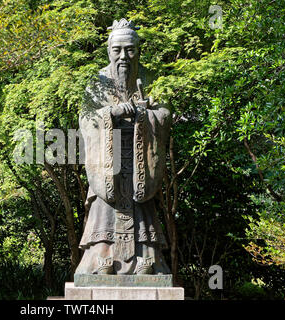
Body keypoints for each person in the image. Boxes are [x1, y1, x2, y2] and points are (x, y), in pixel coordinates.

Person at [76, 18, 172, 275]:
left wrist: (146, 114)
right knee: (105, 206)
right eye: (117, 50)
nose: (123, 56)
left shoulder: (150, 77)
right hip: (109, 160)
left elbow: (164, 115)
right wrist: (112, 112)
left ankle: (147, 260)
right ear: (109, 51)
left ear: (138, 50)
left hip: (141, 159)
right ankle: (101, 259)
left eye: (130, 49)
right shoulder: (97, 82)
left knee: (142, 206)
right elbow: (86, 119)